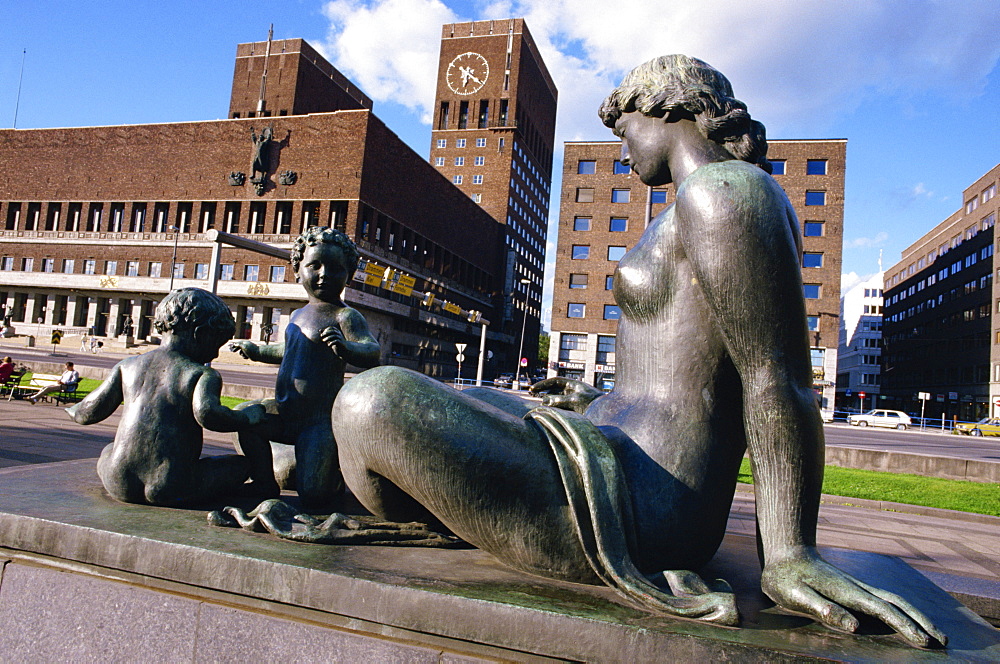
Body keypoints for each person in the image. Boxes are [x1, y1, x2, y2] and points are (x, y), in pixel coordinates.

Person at [328, 56, 945, 647]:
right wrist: (601, 399)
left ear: (665, 107)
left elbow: (775, 379)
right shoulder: (698, 203)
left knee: (371, 401)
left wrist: (788, 553)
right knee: (434, 400)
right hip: (608, 443)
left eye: (625, 129)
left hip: (642, 502)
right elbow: (687, 372)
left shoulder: (725, 192)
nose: (623, 150)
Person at [66, 288, 268, 506]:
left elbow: (87, 412)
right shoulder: (200, 374)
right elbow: (209, 414)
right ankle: (264, 485)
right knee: (240, 465)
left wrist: (72, 410)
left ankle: (122, 473)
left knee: (109, 450)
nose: (215, 355)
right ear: (200, 334)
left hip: (118, 483)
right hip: (173, 485)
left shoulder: (127, 366)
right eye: (216, 343)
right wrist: (247, 416)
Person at [230, 227, 380, 510]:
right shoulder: (297, 315)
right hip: (285, 412)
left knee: (314, 497)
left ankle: (332, 478)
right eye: (315, 266)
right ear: (298, 270)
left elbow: (372, 351)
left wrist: (346, 347)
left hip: (318, 422)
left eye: (336, 268)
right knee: (244, 418)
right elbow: (287, 351)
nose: (324, 274)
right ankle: (264, 482)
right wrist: (257, 351)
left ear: (348, 274)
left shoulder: (345, 315)